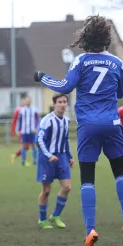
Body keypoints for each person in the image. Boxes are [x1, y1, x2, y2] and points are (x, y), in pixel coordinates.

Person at [33, 15, 123, 246]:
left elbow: (63, 88)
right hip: (112, 123)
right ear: (107, 38)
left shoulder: (80, 61)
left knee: (88, 178)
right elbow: (121, 92)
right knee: (120, 172)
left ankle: (90, 230)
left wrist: (42, 77)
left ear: (85, 38)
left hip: (88, 125)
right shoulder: (117, 63)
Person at [36, 94, 74, 229]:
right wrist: (48, 155)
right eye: (60, 102)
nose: (63, 104)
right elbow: (39, 140)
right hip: (47, 159)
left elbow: (66, 139)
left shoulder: (66, 121)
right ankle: (42, 219)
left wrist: (70, 156)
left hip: (62, 157)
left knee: (67, 187)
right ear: (54, 104)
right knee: (46, 190)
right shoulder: (47, 120)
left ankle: (55, 215)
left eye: (65, 102)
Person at [16, 95, 40, 167]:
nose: (28, 101)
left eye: (29, 100)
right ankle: (23, 161)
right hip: (24, 131)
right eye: (27, 100)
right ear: (25, 101)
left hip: (32, 131)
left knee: (34, 145)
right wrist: (18, 130)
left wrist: (37, 128)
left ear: (31, 101)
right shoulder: (22, 111)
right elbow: (19, 121)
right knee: (24, 146)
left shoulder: (34, 110)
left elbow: (38, 120)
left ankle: (35, 160)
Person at [10, 97, 26, 164]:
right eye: (23, 102)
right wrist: (13, 131)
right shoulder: (18, 110)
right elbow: (14, 121)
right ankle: (24, 161)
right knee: (24, 146)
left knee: (26, 147)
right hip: (20, 131)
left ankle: (14, 156)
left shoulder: (27, 109)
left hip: (27, 131)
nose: (24, 103)